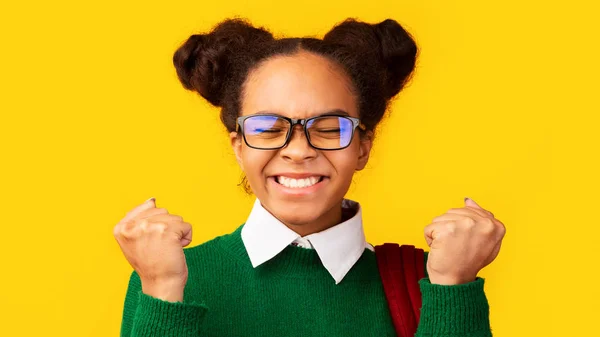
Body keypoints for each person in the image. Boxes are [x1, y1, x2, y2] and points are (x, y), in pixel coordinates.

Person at [113, 17, 506, 337]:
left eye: (330, 126)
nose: (298, 150)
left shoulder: (434, 282)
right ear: (238, 146)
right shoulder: (167, 278)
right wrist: (164, 289)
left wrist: (453, 287)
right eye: (267, 127)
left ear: (363, 147)